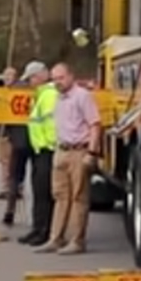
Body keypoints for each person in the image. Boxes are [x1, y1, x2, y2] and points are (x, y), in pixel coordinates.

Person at [36, 62, 102, 255]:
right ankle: (55, 238)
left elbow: (95, 125)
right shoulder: (57, 98)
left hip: (78, 151)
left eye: (61, 78)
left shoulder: (82, 96)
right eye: (55, 79)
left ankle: (77, 241)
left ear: (71, 76)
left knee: (78, 197)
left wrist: (91, 153)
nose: (58, 82)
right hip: (61, 150)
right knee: (60, 197)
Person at [18, 61, 58, 246]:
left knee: (44, 194)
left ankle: (44, 231)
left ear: (42, 75)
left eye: (32, 78)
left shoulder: (49, 95)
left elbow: (52, 125)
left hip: (48, 150)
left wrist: (51, 145)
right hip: (40, 150)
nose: (30, 82)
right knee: (38, 192)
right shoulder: (41, 95)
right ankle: (37, 228)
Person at [0, 66, 31, 226]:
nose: (7, 78)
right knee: (12, 173)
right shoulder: (6, 91)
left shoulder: (13, 93)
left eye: (10, 75)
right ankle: (10, 207)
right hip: (21, 138)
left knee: (14, 175)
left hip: (18, 138)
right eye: (5, 75)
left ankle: (10, 211)